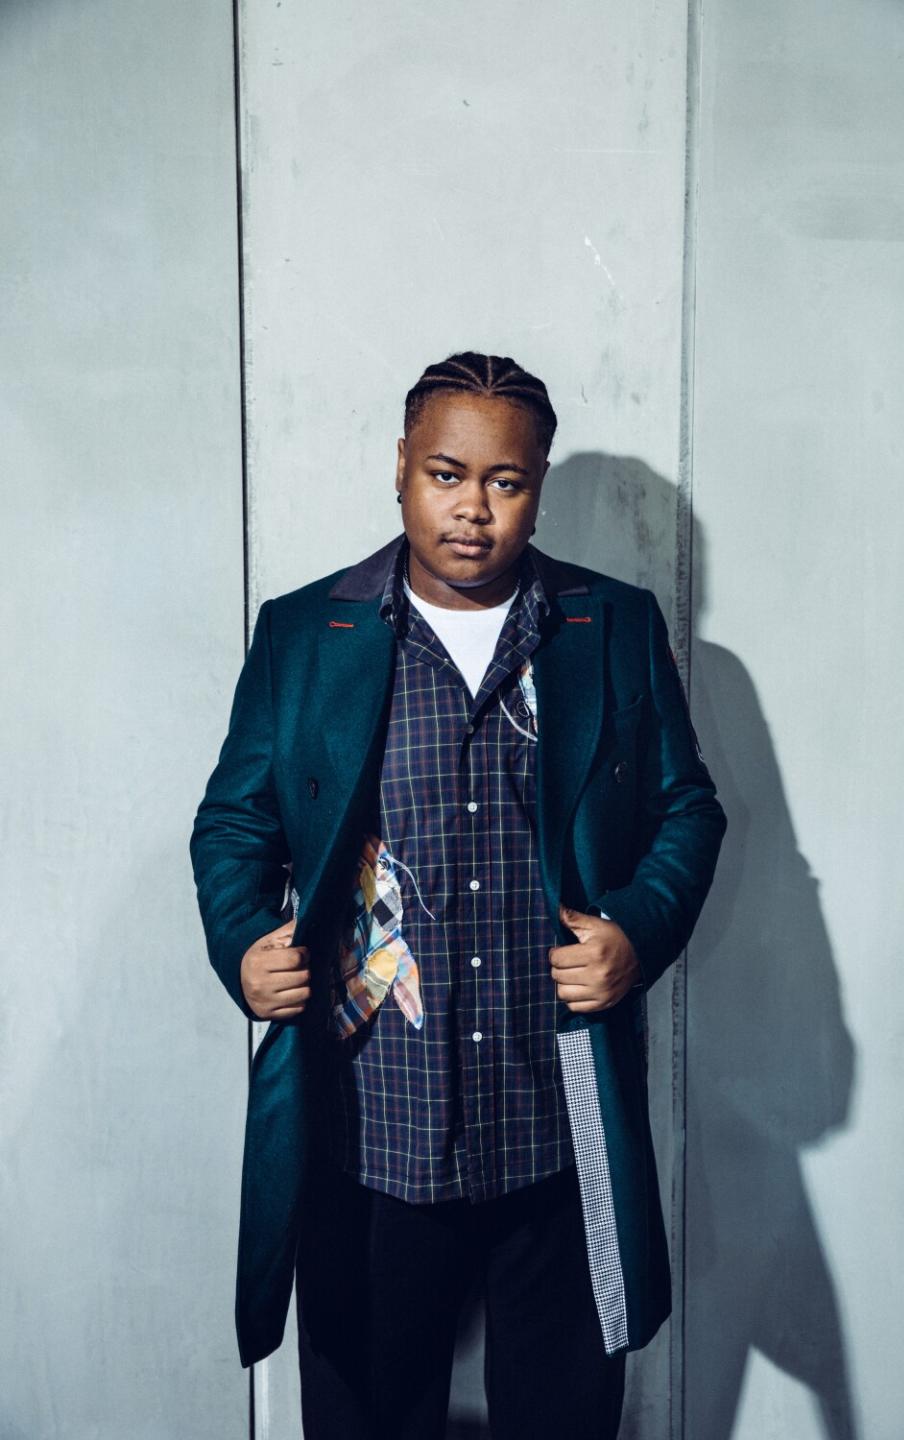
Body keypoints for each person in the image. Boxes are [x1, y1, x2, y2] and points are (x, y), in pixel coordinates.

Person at [190, 351, 726, 1440]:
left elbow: (688, 808)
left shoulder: (610, 625)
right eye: (446, 474)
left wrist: (639, 929)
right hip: (369, 1131)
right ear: (401, 470)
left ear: (535, 485)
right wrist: (245, 941)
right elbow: (234, 825)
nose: (472, 509)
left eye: (504, 481)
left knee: (565, 1421)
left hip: (557, 1130)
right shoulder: (306, 633)